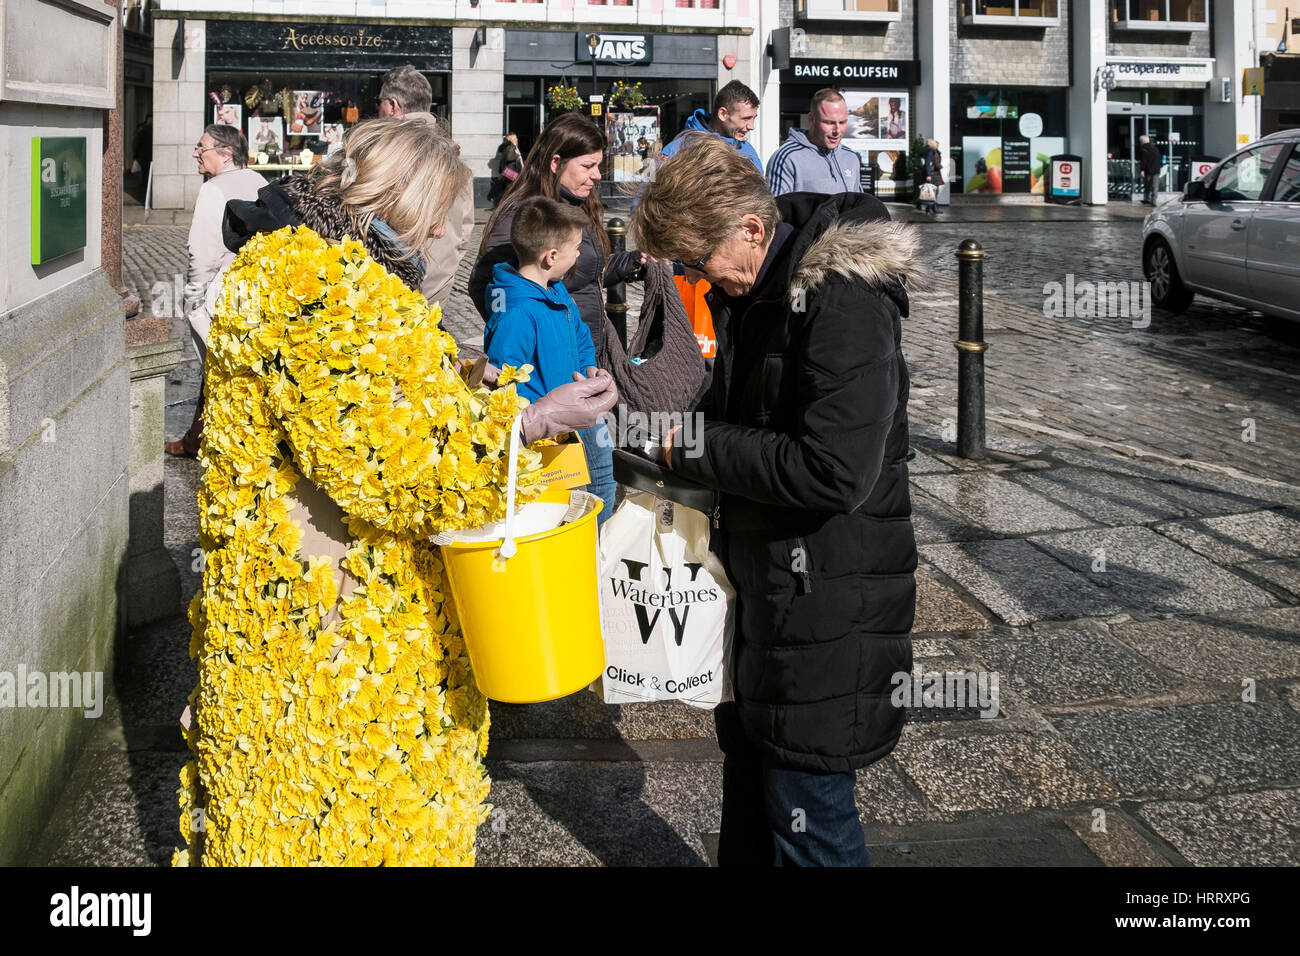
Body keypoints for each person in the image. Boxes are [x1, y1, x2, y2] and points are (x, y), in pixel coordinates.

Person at [175, 117, 619, 866]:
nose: (444, 230)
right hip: (326, 648)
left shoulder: (339, 269)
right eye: (437, 211)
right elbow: (390, 467)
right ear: (394, 198)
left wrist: (459, 382)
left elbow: (373, 400)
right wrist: (530, 423)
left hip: (345, 632)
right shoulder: (310, 285)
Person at [632, 134, 918, 867]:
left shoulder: (842, 299)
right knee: (759, 805)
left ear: (751, 229)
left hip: (826, 600)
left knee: (809, 817)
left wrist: (685, 445)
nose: (699, 280)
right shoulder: (758, 283)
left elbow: (835, 469)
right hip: (772, 591)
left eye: (700, 263)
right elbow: (745, 411)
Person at [470, 112, 645, 507]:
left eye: (600, 165)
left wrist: (629, 265)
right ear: (555, 163)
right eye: (588, 165)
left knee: (599, 481)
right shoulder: (529, 215)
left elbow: (589, 273)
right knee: (570, 492)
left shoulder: (573, 209)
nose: (598, 175)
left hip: (577, 371)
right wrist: (535, 332)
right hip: (548, 392)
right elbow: (488, 287)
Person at [484, 196, 615, 525]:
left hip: (582, 414)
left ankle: (595, 555)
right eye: (576, 248)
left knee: (603, 489)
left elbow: (581, 334)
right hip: (551, 435)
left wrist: (588, 368)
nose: (580, 254)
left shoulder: (557, 291)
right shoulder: (517, 312)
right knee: (571, 507)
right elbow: (503, 382)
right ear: (551, 257)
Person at [163, 124, 265, 458]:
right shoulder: (259, 181)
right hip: (256, 290)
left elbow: (202, 252)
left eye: (201, 147)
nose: (195, 152)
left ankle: (219, 445)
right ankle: (195, 439)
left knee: (219, 369)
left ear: (225, 153)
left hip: (221, 294)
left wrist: (191, 297)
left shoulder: (213, 190)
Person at [377, 64, 477, 311]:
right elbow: (465, 228)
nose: (378, 108)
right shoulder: (452, 152)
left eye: (380, 102)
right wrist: (445, 266)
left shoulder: (380, 150)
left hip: (384, 286)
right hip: (437, 285)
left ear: (392, 105)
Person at [767, 89, 863, 196]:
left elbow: (859, 206)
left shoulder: (851, 157)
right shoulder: (787, 158)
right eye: (829, 123)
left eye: (842, 122)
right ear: (812, 119)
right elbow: (774, 210)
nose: (837, 130)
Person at [660, 80, 762, 173]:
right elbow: (649, 188)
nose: (751, 126)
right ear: (723, 114)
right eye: (746, 118)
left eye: (754, 118)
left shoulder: (748, 150)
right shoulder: (677, 149)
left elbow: (762, 190)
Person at [488, 132, 523, 208]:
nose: (517, 139)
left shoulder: (507, 147)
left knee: (509, 190)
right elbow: (509, 158)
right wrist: (518, 154)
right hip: (513, 173)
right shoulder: (512, 147)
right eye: (516, 137)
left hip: (509, 173)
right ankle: (509, 206)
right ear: (513, 139)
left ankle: (506, 205)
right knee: (513, 190)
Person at [1139, 134, 1162, 205]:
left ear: (1142, 141)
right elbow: (1159, 159)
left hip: (1148, 170)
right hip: (1156, 170)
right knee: (1155, 186)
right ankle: (1154, 201)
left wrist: (1142, 170)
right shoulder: (1155, 148)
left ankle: (1147, 199)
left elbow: (1144, 160)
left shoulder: (1144, 149)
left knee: (1147, 185)